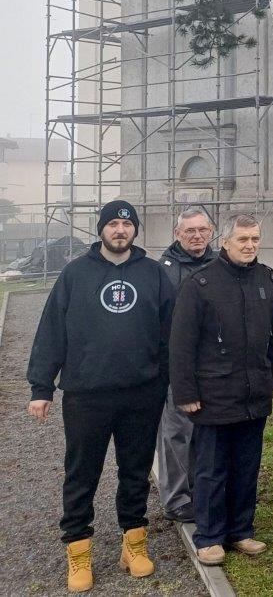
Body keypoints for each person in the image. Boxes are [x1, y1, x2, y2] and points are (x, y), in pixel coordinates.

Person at [27, 200, 173, 592]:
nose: (120, 230)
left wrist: (164, 380)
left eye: (127, 224)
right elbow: (52, 330)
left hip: (141, 393)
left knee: (135, 470)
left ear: (135, 230)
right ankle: (78, 548)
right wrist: (41, 387)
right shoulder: (75, 274)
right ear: (101, 229)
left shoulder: (154, 274)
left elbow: (170, 332)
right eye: (113, 224)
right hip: (86, 394)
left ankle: (134, 543)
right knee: (82, 472)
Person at [170, 214, 273, 567]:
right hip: (214, 393)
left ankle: (240, 530)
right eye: (242, 239)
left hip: (254, 392)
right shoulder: (200, 284)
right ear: (225, 242)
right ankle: (209, 536)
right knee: (211, 469)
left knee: (247, 465)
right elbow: (181, 344)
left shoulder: (265, 279)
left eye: (255, 239)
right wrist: (185, 392)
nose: (250, 245)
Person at [155, 209, 217, 524]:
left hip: (214, 361)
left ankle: (204, 489)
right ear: (177, 234)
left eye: (202, 230)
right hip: (176, 361)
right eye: (189, 231)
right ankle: (177, 498)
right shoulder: (162, 271)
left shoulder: (220, 264)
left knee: (208, 431)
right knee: (177, 431)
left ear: (211, 231)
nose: (196, 236)